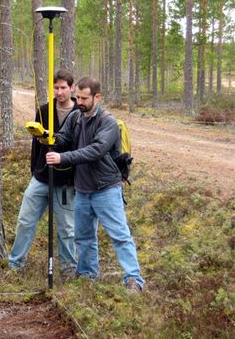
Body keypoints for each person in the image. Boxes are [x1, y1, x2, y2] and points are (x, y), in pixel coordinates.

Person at [46, 77, 144, 293]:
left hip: (106, 189)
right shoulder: (76, 117)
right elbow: (64, 137)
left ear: (97, 97)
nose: (79, 101)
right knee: (84, 236)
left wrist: (63, 158)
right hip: (82, 189)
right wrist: (47, 137)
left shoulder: (108, 122)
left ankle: (134, 280)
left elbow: (95, 150)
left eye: (84, 98)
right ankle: (88, 275)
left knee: (119, 235)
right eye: (78, 97)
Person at [8, 69, 78, 277]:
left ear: (72, 88)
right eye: (55, 88)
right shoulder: (44, 111)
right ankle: (16, 264)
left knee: (66, 229)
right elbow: (35, 146)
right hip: (40, 177)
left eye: (63, 88)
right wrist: (35, 170)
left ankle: (69, 270)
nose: (59, 92)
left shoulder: (79, 114)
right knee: (25, 221)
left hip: (65, 181)